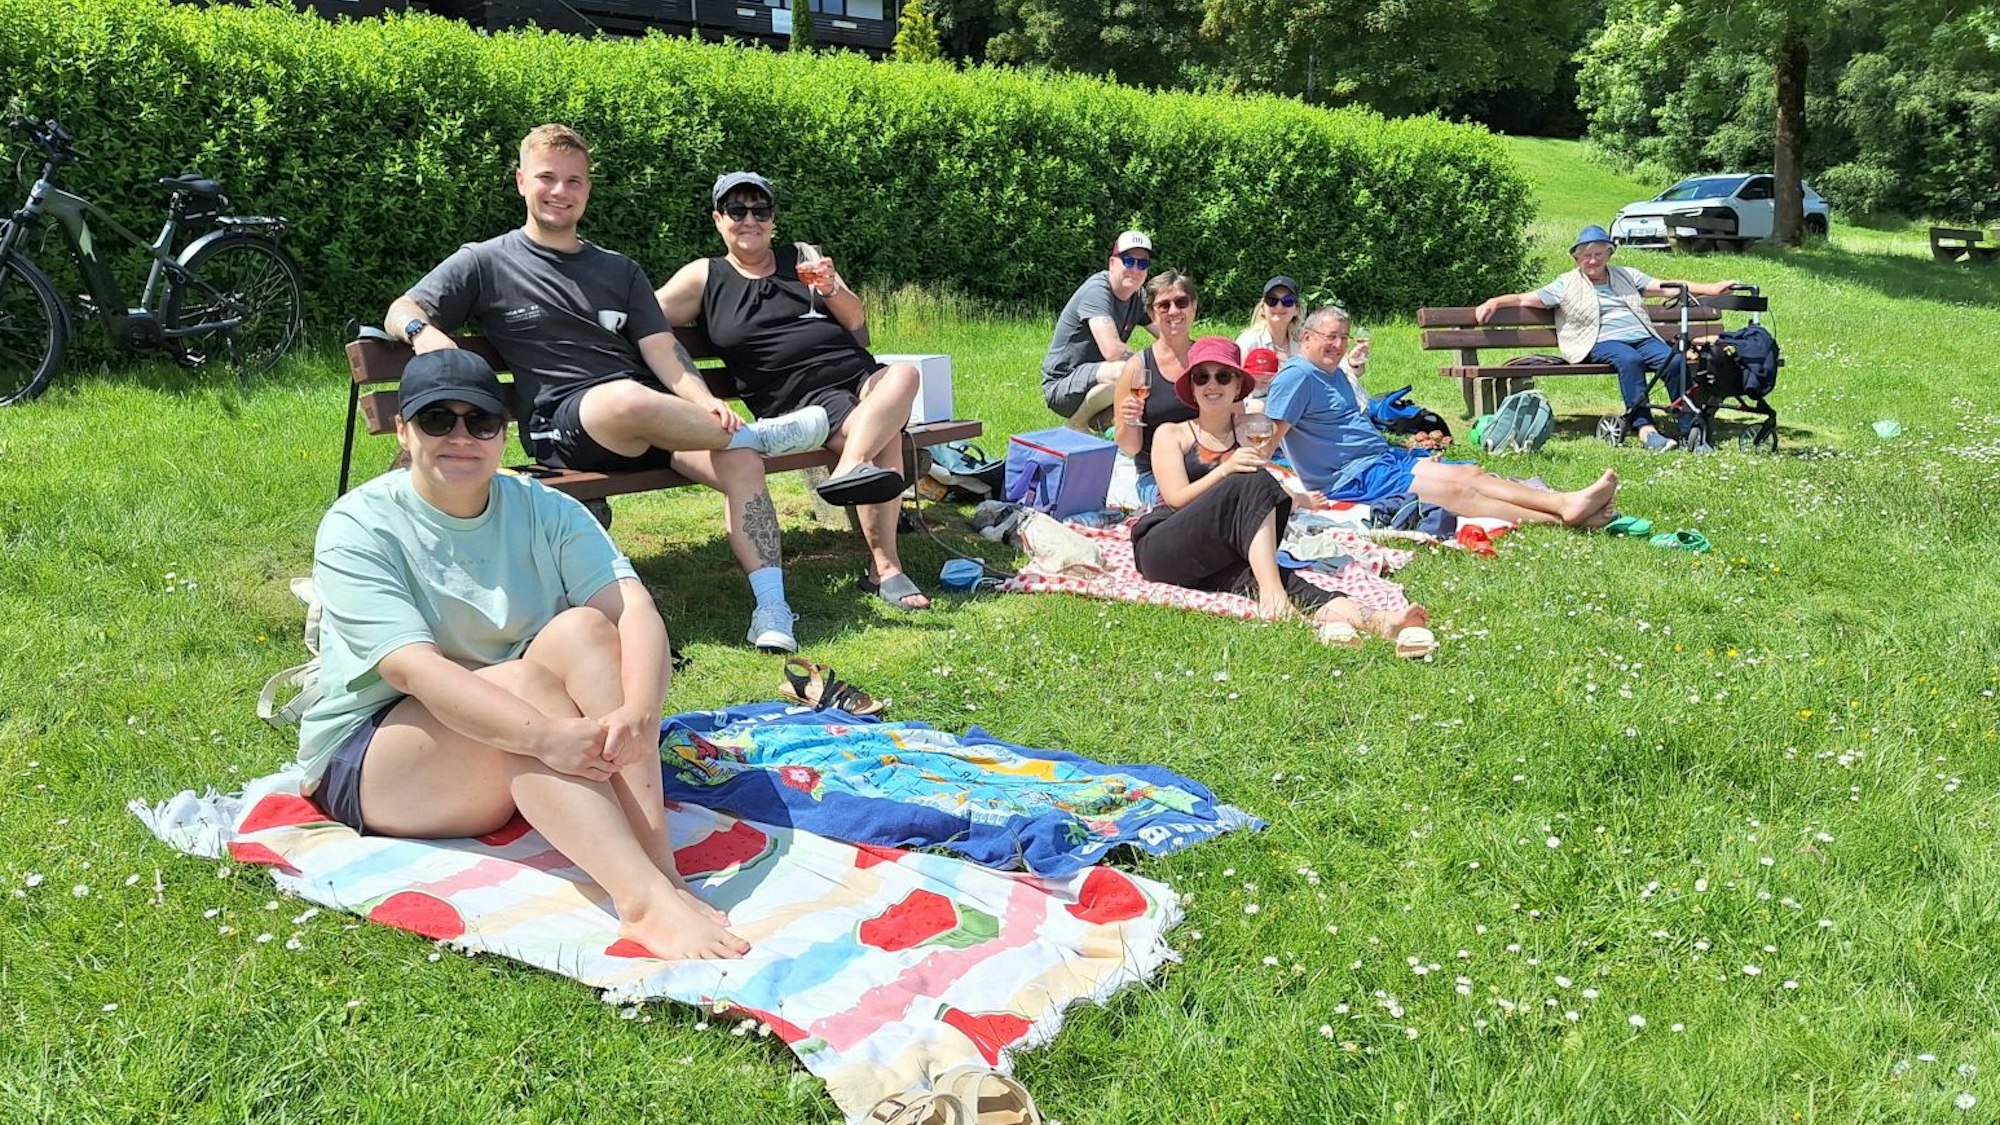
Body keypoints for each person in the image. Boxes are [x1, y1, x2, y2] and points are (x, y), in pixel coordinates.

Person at [301, 349, 748, 961]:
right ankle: (640, 903)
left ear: (502, 433)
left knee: (587, 629)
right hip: (373, 760)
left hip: (500, 731)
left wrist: (643, 713)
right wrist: (542, 737)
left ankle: (658, 868)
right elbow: (411, 668)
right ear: (404, 431)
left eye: (480, 422)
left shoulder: (546, 507)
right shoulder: (360, 526)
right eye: (437, 421)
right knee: (524, 684)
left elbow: (633, 610)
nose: (461, 437)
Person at [386, 124, 817, 654]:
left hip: (653, 424)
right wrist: (424, 335)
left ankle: (771, 607)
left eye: (574, 181)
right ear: (522, 181)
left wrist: (704, 401)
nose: (560, 192)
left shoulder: (619, 269)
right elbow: (401, 308)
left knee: (738, 462)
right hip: (566, 425)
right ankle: (760, 436)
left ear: (587, 190)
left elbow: (664, 351)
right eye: (547, 178)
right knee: (626, 398)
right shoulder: (485, 260)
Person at [657, 172, 931, 610]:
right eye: (737, 210)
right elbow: (647, 317)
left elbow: (858, 327)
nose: (750, 219)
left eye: (760, 210)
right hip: (796, 401)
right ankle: (886, 569)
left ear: (773, 219)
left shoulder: (801, 257)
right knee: (888, 435)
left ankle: (849, 469)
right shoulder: (705, 276)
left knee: (904, 376)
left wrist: (830, 287)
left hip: (858, 379)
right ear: (717, 219)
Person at [1131, 336, 1432, 650]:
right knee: (1254, 483)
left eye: (1222, 376)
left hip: (1212, 553)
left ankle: (1378, 620)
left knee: (1284, 579)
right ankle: (1273, 597)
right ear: (1191, 387)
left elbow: (1260, 498)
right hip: (1162, 549)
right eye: (1201, 377)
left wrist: (1278, 485)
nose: (1211, 384)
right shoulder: (1173, 433)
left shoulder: (1249, 431)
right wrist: (1226, 468)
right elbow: (1177, 499)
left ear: (1238, 386)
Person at [1268, 306, 1620, 528]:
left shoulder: (1331, 373)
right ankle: (1563, 517)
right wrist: (1290, 495)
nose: (1339, 345)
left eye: (1343, 337)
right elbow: (1268, 441)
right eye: (1331, 337)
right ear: (1308, 337)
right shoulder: (1297, 376)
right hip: (1350, 479)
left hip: (1380, 460)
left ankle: (1565, 504)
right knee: (1455, 492)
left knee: (1469, 472)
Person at [1474, 225, 1740, 451]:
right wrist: (1495, 301)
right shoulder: (1566, 284)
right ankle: (1645, 429)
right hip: (1598, 342)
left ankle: (1689, 429)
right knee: (1630, 360)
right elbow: (1524, 298)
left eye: (1599, 253)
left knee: (1675, 361)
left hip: (1642, 338)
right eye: (1586, 255)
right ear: (1577, 259)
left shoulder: (1627, 275)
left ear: (1608, 253)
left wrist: (1711, 288)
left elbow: (1669, 287)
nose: (1593, 260)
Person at [1041, 231, 1155, 432]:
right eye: (1128, 261)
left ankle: (1101, 424)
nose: (1136, 269)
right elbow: (1113, 351)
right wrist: (1154, 365)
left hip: (1097, 381)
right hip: (1063, 385)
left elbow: (1169, 336)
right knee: (1133, 372)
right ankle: (1076, 425)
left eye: (1142, 264)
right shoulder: (1098, 290)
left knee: (1147, 378)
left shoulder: (1138, 297)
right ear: (1112, 263)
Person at [1112, 270, 1200, 508]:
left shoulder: (1207, 360)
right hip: (1156, 477)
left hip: (1206, 466)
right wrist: (1131, 420)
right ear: (1152, 312)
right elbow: (1130, 448)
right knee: (1193, 511)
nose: (1174, 311)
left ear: (1193, 307)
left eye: (1181, 302)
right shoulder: (1137, 367)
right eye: (1163, 305)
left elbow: (1233, 417)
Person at [1235, 275, 1304, 362]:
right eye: (1272, 300)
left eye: (1287, 301)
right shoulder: (1248, 342)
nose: (1279, 306)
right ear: (1263, 309)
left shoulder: (1303, 344)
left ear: (1296, 310)